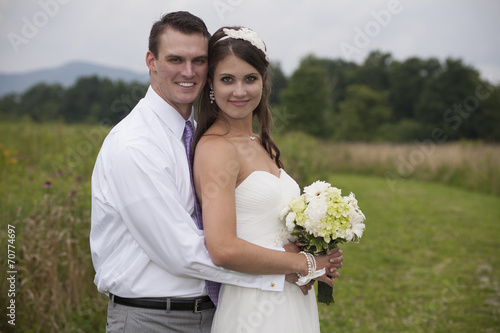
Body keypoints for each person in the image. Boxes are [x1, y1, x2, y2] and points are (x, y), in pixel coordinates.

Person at [90, 12, 343, 333]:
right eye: (175, 59)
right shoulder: (135, 145)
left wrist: (309, 246)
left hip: (211, 310)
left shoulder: (194, 133)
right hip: (152, 316)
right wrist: (294, 265)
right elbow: (181, 251)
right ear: (151, 61)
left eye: (198, 61)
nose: (188, 71)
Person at [192, 26, 342, 332]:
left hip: (289, 297)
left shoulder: (258, 142)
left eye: (250, 79)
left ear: (263, 83)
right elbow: (222, 249)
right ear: (211, 85)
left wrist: (313, 252)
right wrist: (307, 264)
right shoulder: (216, 149)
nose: (239, 91)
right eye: (227, 79)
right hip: (253, 306)